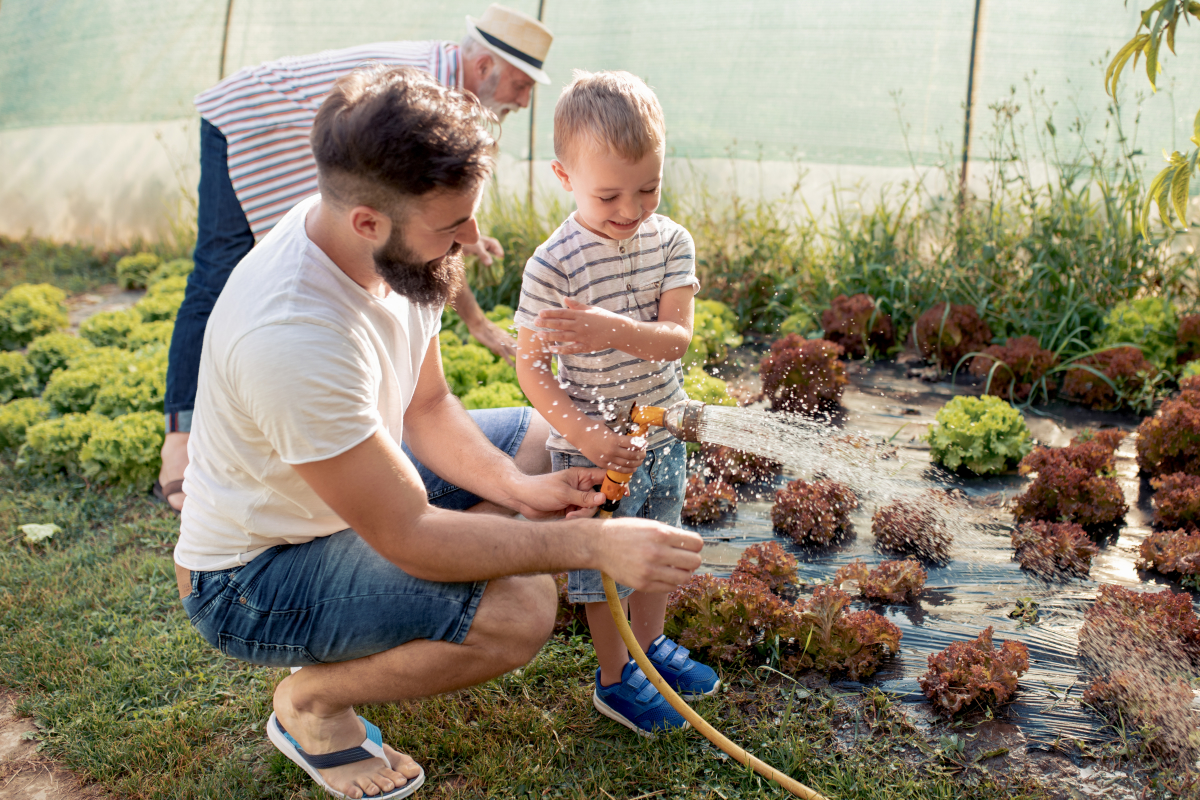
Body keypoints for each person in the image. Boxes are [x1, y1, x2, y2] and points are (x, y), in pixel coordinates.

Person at [173, 65, 703, 800]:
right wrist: (588, 543)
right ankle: (312, 704)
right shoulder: (293, 334)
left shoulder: (389, 239)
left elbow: (426, 408)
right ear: (369, 222)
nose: (472, 239)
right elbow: (410, 532)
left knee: (532, 442)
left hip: (358, 489)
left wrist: (519, 489)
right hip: (257, 574)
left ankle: (461, 569)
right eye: (452, 226)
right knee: (520, 610)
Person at [157, 4, 552, 512]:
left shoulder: (447, 112)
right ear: (483, 67)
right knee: (216, 272)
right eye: (522, 84)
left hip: (341, 163)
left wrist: (460, 234)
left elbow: (420, 220)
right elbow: (408, 232)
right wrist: (474, 320)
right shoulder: (419, 98)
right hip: (251, 117)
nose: (524, 99)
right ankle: (180, 442)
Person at [514, 70, 720, 736]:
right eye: (609, 195)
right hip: (590, 450)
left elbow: (677, 339)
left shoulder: (671, 243)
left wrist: (614, 330)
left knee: (656, 551)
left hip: (659, 433)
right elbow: (531, 368)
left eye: (649, 188)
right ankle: (614, 677)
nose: (632, 210)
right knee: (604, 571)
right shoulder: (553, 265)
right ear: (563, 176)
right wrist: (591, 438)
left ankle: (650, 649)